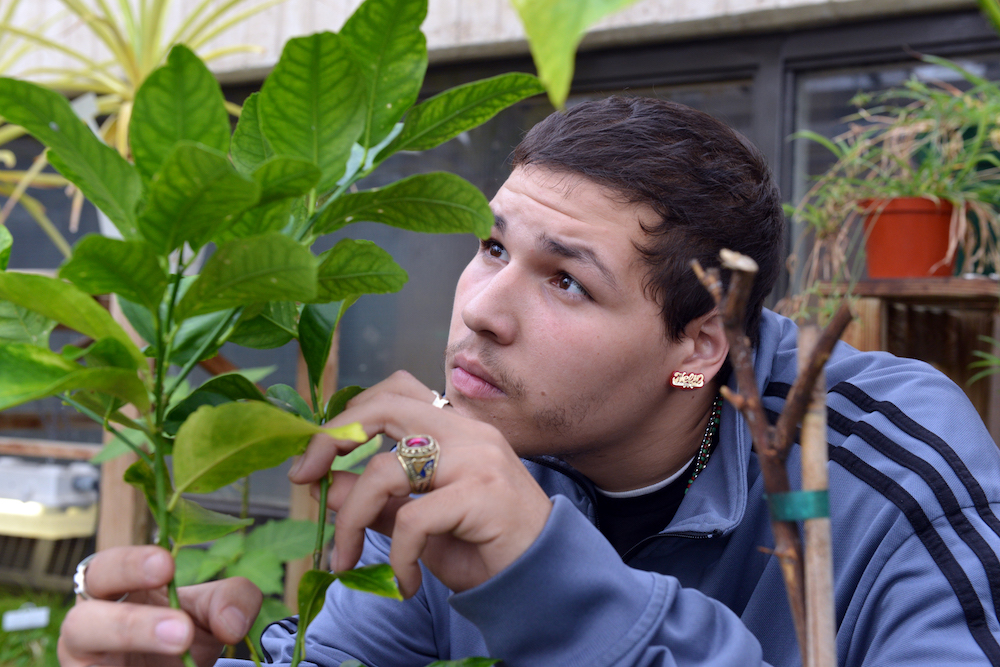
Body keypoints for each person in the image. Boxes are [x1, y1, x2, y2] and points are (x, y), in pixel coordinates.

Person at [58, 97, 1000, 667]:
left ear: (700, 345)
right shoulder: (451, 455)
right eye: (493, 246)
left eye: (565, 280)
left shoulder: (886, 459)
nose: (480, 310)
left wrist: (543, 570)